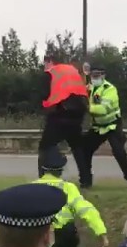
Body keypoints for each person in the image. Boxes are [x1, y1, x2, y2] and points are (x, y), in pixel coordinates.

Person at [82, 66, 127, 189]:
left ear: (103, 76)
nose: (95, 78)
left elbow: (103, 109)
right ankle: (86, 181)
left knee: (119, 153)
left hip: (113, 126)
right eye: (93, 76)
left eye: (98, 75)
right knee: (85, 150)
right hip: (98, 127)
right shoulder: (89, 89)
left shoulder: (110, 89)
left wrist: (86, 107)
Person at [37, 53, 89, 185]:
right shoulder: (72, 70)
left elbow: (45, 95)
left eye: (45, 63)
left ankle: (44, 176)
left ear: (50, 62)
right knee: (77, 147)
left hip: (59, 114)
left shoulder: (51, 73)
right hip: (77, 114)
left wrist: (44, 108)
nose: (44, 67)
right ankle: (86, 179)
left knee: (45, 145)